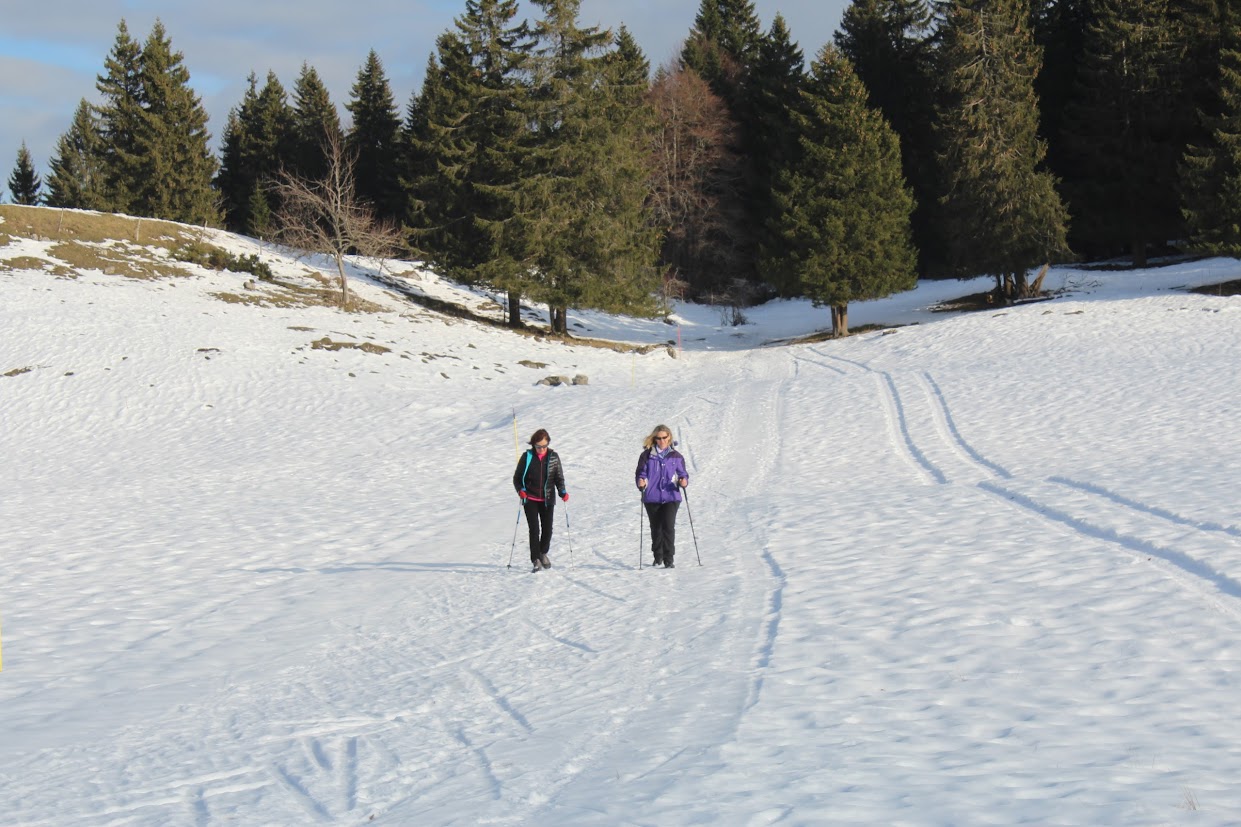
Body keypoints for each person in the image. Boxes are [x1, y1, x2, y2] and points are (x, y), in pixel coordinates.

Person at [513, 428, 568, 572]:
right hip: (530, 498)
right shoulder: (527, 457)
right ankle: (535, 559)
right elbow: (517, 478)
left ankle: (543, 553)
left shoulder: (554, 457)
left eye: (544, 446)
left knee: (548, 529)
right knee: (534, 529)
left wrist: (562, 491)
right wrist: (521, 490)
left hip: (547, 499)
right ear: (533, 445)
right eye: (538, 447)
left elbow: (558, 477)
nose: (542, 449)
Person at [634, 424, 688, 568]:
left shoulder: (676, 456)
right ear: (654, 439)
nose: (662, 441)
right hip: (652, 497)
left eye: (665, 437)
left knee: (668, 526)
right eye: (658, 438)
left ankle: (669, 559)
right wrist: (641, 482)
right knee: (656, 528)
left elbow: (683, 474)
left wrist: (684, 481)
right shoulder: (646, 456)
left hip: (671, 496)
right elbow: (641, 473)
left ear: (669, 437)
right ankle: (658, 557)